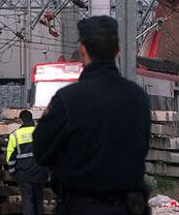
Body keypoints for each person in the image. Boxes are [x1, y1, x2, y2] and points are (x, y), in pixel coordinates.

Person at [32, 16, 152, 215]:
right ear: (117, 50)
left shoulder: (67, 99)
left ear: (82, 49)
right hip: (129, 207)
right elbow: (142, 148)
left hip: (81, 206)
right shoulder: (138, 98)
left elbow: (41, 152)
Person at [6, 110, 48, 215]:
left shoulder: (14, 135)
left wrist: (12, 172)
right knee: (38, 200)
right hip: (40, 172)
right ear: (31, 119)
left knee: (27, 201)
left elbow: (10, 158)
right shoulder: (41, 132)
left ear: (21, 120)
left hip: (24, 173)